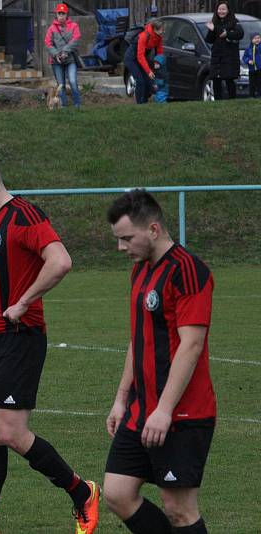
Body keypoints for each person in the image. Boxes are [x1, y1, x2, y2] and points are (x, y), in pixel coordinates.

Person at [0, 153, 99, 534]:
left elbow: (60, 261)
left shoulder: (24, 215)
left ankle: (82, 492)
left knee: (12, 433)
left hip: (19, 339)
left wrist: (24, 301)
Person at [103, 190, 215, 534]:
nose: (122, 247)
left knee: (179, 509)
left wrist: (165, 410)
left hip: (182, 413)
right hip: (141, 410)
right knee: (118, 493)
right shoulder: (141, 271)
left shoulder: (189, 271)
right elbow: (138, 339)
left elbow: (191, 345)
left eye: (127, 238)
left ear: (153, 229)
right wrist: (122, 398)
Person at [44, 3, 81, 108]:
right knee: (61, 84)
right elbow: (48, 43)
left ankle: (77, 104)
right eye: (59, 13)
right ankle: (63, 105)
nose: (61, 16)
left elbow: (76, 39)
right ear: (56, 14)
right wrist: (56, 55)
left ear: (66, 14)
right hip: (56, 61)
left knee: (73, 81)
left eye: (63, 13)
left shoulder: (74, 26)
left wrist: (65, 52)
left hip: (70, 59)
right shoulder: (51, 28)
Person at [206, 2, 244, 100]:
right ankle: (218, 102)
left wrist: (227, 34)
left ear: (228, 10)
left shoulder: (234, 22)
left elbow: (240, 34)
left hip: (229, 57)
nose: (221, 11)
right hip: (217, 56)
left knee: (229, 79)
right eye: (219, 9)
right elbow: (209, 40)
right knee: (216, 79)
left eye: (223, 9)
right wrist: (211, 30)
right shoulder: (214, 22)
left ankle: (232, 101)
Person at [124, 18, 164, 105]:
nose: (162, 31)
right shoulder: (144, 36)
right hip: (131, 59)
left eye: (162, 29)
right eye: (160, 30)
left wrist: (158, 63)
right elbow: (140, 56)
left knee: (148, 80)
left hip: (141, 59)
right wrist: (149, 71)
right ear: (154, 29)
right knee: (140, 80)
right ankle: (139, 104)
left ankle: (145, 102)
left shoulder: (159, 37)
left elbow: (160, 52)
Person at [242, 33, 261, 98]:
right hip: (252, 69)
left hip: (259, 69)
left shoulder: (260, 47)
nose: (257, 40)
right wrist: (248, 61)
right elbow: (244, 57)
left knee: (259, 83)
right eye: (255, 38)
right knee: (252, 83)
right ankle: (251, 96)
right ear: (251, 40)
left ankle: (259, 95)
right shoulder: (248, 49)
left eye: (258, 38)